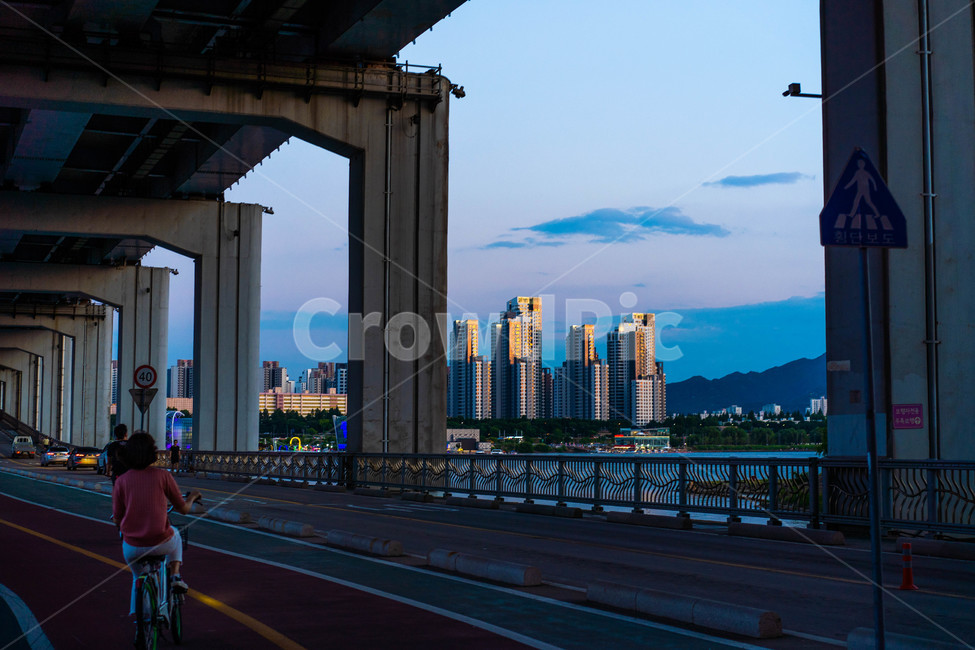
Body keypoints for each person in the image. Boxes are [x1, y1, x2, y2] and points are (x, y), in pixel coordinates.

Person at [112, 432, 202, 615]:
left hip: (132, 548)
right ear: (152, 453)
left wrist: (123, 525)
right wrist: (192, 497)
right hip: (161, 543)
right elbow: (183, 509)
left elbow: (117, 519)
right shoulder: (163, 476)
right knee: (175, 534)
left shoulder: (121, 481)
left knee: (137, 576)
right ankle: (176, 575)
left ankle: (140, 620)